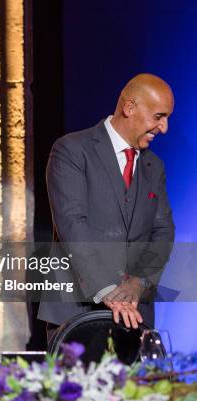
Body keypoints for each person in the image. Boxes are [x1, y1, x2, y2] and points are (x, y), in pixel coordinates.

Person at [38, 73, 175, 339]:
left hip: (135, 316)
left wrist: (138, 282)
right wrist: (108, 290)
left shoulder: (153, 166)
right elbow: (72, 225)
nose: (164, 127)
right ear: (129, 108)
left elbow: (163, 232)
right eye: (159, 116)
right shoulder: (71, 150)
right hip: (76, 312)